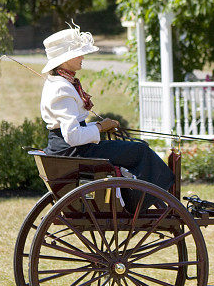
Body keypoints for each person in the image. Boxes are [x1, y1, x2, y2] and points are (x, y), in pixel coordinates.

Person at [40, 23, 174, 194]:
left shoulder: (60, 83)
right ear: (66, 58)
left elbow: (73, 130)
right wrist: (100, 127)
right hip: (76, 153)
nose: (83, 57)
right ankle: (144, 200)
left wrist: (102, 126)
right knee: (139, 150)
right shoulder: (62, 88)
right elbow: (73, 136)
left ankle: (137, 197)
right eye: (79, 53)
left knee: (136, 147)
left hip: (73, 150)